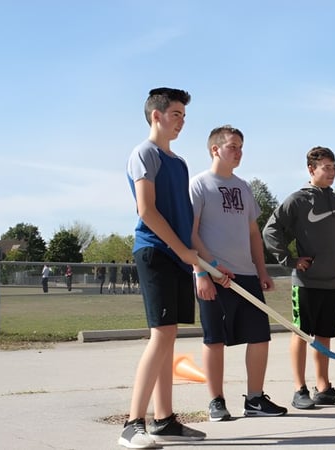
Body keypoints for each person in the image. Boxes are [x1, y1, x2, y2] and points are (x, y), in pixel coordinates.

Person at [119, 87, 204, 449]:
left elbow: (184, 217)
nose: (181, 122)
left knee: (170, 338)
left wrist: (201, 260)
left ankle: (165, 420)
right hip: (155, 252)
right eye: (175, 114)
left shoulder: (180, 163)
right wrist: (182, 250)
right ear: (156, 115)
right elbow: (147, 211)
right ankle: (131, 424)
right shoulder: (144, 154)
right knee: (162, 334)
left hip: (180, 255)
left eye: (184, 116)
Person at [190, 125, 287, 420]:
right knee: (214, 339)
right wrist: (201, 273)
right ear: (214, 149)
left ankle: (255, 400)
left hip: (245, 275)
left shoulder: (244, 187)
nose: (238, 152)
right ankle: (216, 401)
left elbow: (253, 233)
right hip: (215, 275)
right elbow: (189, 233)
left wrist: (261, 271)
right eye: (232, 146)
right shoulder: (199, 185)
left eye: (241, 147)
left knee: (259, 337)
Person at [262, 146, 335, 410]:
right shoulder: (298, 200)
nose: (332, 172)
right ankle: (299, 389)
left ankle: (323, 388)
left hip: (332, 281)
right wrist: (290, 260)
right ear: (311, 170)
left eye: (334, 167)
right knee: (301, 333)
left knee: (324, 335)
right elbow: (271, 231)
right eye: (326, 167)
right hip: (306, 282)